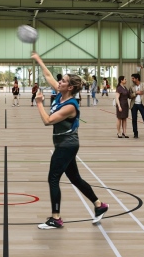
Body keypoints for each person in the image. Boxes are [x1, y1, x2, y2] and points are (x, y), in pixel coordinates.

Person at [31, 52, 108, 230]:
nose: (60, 82)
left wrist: (39, 103)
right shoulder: (60, 95)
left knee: (53, 178)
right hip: (63, 144)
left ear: (70, 88)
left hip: (67, 145)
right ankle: (99, 205)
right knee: (75, 178)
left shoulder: (71, 105)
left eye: (64, 81)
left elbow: (47, 121)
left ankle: (56, 218)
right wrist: (39, 60)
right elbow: (49, 76)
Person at [129, 73, 144, 139]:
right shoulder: (131, 86)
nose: (132, 79)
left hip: (142, 105)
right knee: (134, 120)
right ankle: (135, 134)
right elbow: (130, 96)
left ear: (137, 79)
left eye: (133, 78)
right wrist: (136, 93)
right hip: (134, 105)